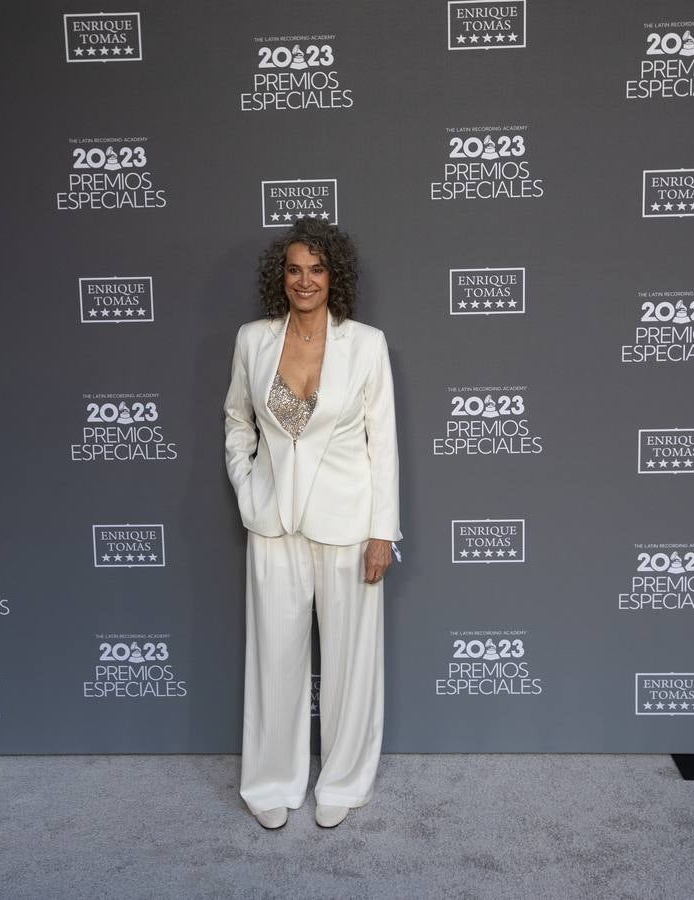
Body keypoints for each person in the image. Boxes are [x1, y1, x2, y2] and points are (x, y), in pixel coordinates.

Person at [223, 218, 402, 830]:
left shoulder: (367, 344)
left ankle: (345, 781)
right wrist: (248, 489)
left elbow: (385, 445)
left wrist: (384, 531)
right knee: (274, 659)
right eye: (295, 269)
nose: (305, 280)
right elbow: (237, 421)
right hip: (273, 520)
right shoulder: (253, 340)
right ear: (283, 275)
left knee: (351, 661)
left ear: (335, 278)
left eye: (317, 269)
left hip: (349, 523)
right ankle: (272, 780)